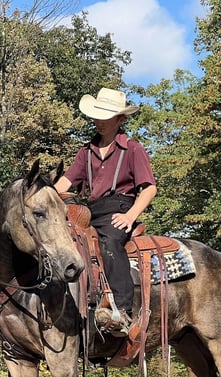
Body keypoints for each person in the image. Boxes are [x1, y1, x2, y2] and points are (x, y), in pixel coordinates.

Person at [54, 88, 157, 337]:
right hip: (91, 212)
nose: (99, 121)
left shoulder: (132, 149)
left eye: (106, 116)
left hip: (119, 210)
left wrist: (130, 216)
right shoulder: (85, 152)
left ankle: (121, 312)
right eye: (97, 116)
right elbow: (63, 185)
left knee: (110, 243)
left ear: (120, 119)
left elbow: (149, 188)